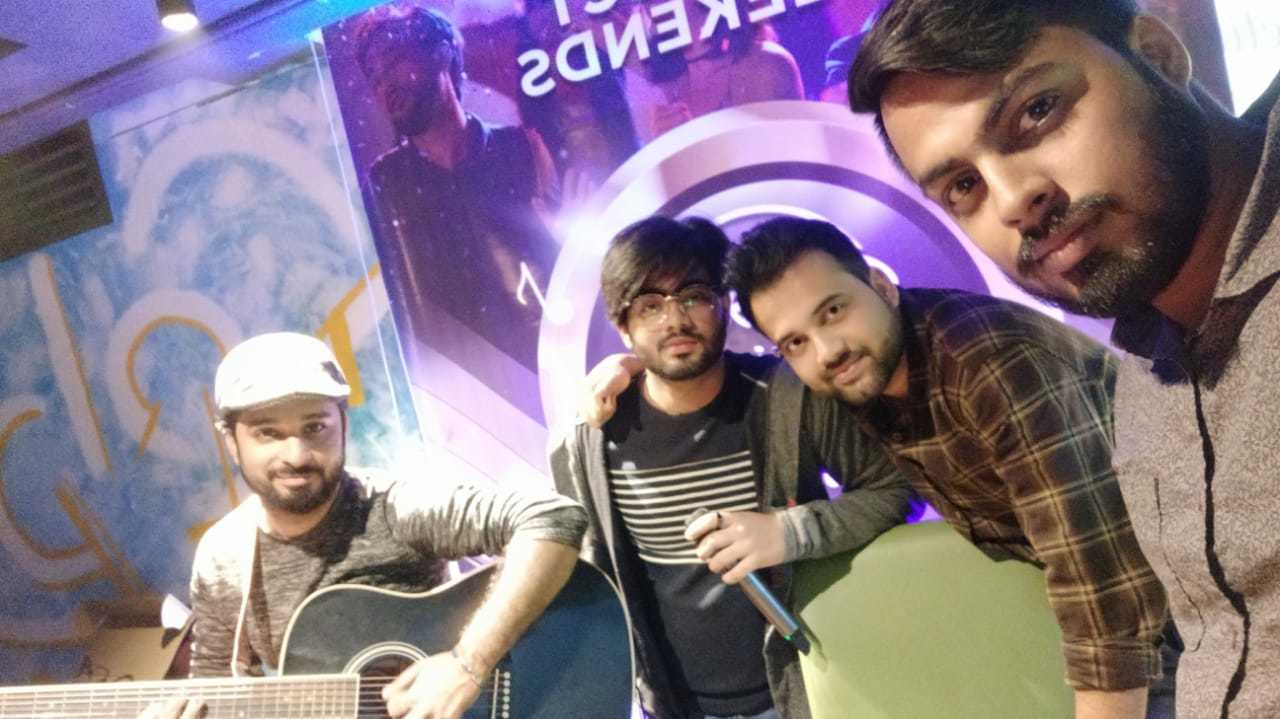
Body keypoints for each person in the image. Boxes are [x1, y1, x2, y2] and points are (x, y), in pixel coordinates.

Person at [846, 1, 1277, 715]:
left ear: (1157, 52)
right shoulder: (1145, 370)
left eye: (1037, 111)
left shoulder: (990, 358)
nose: (1015, 201)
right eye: (963, 187)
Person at [725, 218, 1169, 719]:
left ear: (881, 285)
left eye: (833, 310)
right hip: (1116, 625)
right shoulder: (870, 379)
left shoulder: (987, 362)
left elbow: (1098, 576)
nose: (828, 351)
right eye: (795, 343)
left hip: (1174, 615)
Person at [550, 217, 911, 718]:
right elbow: (589, 571)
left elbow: (894, 492)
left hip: (808, 689)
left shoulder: (788, 399)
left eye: (694, 296)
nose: (675, 320)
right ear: (622, 326)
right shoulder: (592, 435)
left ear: (724, 304)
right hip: (672, 705)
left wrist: (788, 532)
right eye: (650, 305)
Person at [141, 332, 587, 719]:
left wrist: (467, 664)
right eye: (268, 433)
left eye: (315, 427)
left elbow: (554, 517)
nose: (297, 455)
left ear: (343, 424)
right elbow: (214, 689)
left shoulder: (394, 507)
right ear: (231, 441)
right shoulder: (223, 557)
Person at [354, 5, 560, 376]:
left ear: (442, 53)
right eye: (374, 77)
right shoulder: (385, 186)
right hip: (460, 389)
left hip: (552, 361)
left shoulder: (521, 148)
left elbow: (563, 257)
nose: (385, 85)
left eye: (393, 62)